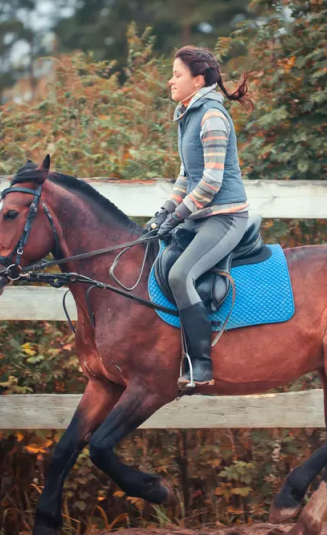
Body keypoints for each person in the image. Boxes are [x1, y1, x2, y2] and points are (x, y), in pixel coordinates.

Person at [146, 46, 252, 387]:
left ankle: (201, 364)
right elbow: (186, 175)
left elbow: (211, 181)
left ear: (198, 80)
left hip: (225, 218)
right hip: (199, 217)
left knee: (180, 275)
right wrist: (164, 211)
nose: (170, 81)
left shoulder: (212, 117)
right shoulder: (188, 113)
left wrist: (177, 215)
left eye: (177, 75)